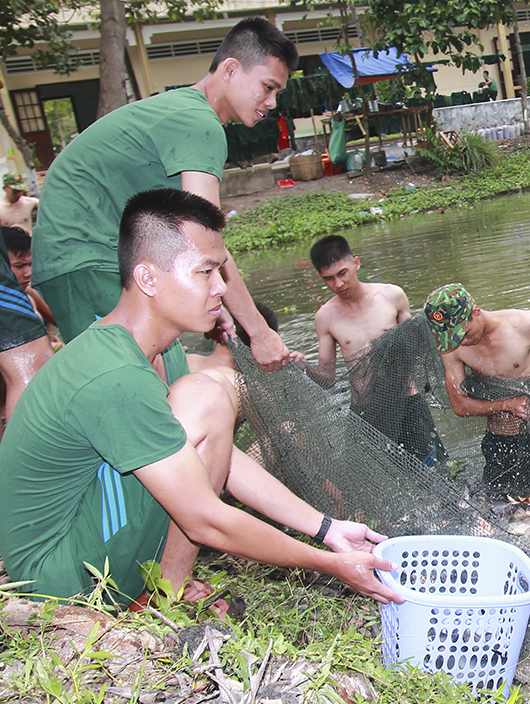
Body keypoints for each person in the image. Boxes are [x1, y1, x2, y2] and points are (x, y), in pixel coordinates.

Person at [0, 188, 401, 610]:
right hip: (61, 576)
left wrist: (327, 528)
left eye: (221, 271)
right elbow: (205, 519)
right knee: (209, 394)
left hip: (85, 539)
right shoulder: (114, 374)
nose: (221, 287)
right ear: (148, 278)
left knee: (207, 397)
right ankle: (162, 599)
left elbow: (220, 458)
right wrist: (329, 563)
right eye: (205, 273)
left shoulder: (160, 350)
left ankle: (162, 589)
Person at [29, 17, 296, 372]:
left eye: (277, 92)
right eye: (267, 86)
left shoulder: (181, 109)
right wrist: (259, 332)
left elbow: (184, 237)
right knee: (130, 381)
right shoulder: (199, 124)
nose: (272, 101)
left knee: (167, 374)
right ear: (230, 69)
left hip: (96, 257)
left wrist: (217, 308)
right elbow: (206, 245)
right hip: (88, 258)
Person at [426, 283, 530, 497]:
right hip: (499, 442)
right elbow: (460, 405)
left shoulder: (524, 324)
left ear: (476, 311)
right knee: (504, 512)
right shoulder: (453, 348)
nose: (462, 341)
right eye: (453, 337)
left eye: (464, 332)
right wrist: (505, 405)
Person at [306, 235, 443, 466]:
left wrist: (421, 333)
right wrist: (301, 365)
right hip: (365, 410)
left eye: (342, 273)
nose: (338, 284)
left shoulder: (392, 296)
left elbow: (418, 352)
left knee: (435, 472)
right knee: (372, 481)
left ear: (356, 263)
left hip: (407, 402)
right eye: (328, 279)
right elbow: (327, 379)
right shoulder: (325, 317)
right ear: (320, 276)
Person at [0, 230, 53, 441]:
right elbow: (33, 360)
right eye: (20, 266)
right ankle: (27, 467)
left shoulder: (30, 294)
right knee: (32, 360)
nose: (27, 273)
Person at [2, 226, 59, 336]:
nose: (28, 273)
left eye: (30, 264)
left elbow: (61, 322)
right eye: (19, 266)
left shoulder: (27, 291)